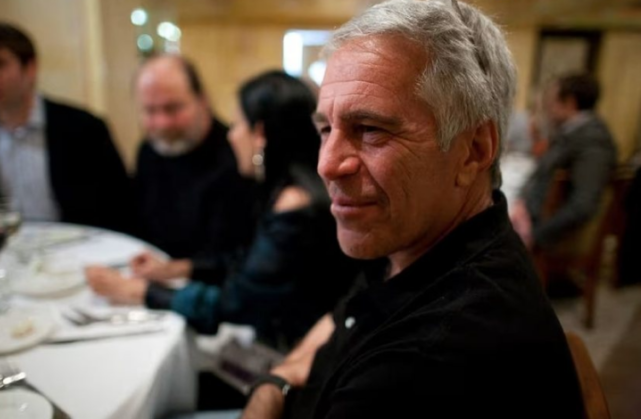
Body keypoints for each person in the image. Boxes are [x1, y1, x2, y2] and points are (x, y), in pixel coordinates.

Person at [239, 1, 583, 418]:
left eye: (370, 129)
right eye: (326, 129)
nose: (326, 165)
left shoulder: (430, 360)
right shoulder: (414, 239)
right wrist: (278, 379)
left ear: (473, 151)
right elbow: (343, 315)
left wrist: (268, 390)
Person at [88, 71, 357, 349]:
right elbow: (251, 265)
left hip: (297, 348)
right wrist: (175, 269)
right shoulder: (292, 188)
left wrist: (139, 291)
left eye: (237, 124)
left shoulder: (294, 203)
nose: (231, 135)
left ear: (259, 133)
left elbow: (239, 302)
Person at [0, 22, 131, 232]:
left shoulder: (83, 126)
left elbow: (119, 203)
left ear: (30, 68)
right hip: (8, 240)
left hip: (74, 241)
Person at [131, 55, 257, 269]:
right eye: (150, 110)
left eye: (172, 108)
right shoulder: (148, 150)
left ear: (202, 100)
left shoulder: (236, 158)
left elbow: (235, 257)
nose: (162, 123)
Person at [511, 73, 618, 249]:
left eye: (551, 100)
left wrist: (535, 237)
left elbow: (583, 205)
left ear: (569, 102)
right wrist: (521, 203)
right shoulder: (571, 132)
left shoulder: (593, 142)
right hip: (526, 218)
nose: (547, 107)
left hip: (540, 235)